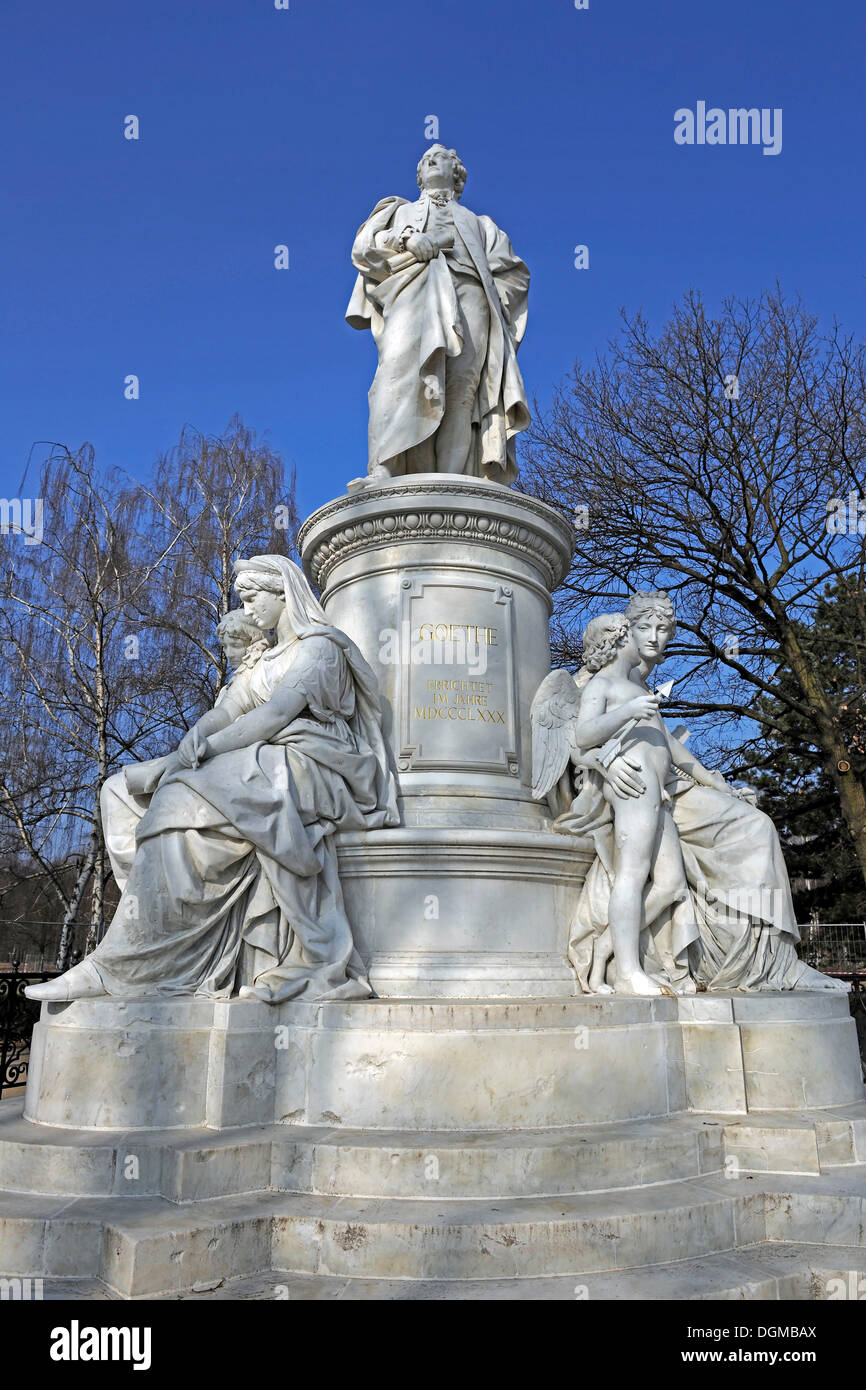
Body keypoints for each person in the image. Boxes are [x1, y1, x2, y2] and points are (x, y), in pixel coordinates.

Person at [27, 556, 399, 1005]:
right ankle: (142, 949)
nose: (246, 610)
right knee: (126, 792)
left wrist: (212, 751)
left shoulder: (319, 649)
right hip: (271, 757)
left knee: (185, 796)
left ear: (283, 594)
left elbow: (275, 714)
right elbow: (228, 711)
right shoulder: (263, 661)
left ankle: (127, 965)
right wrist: (196, 737)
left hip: (316, 766)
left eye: (251, 598)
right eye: (242, 600)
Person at [346, 144, 530, 483]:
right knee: (398, 374)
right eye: (425, 159)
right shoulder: (399, 213)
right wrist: (406, 240)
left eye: (441, 158)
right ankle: (385, 468)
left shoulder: (480, 224)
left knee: (463, 392)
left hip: (471, 296)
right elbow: (365, 249)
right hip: (414, 292)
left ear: (457, 174)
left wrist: (493, 300)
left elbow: (513, 274)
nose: (431, 161)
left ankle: (455, 483)